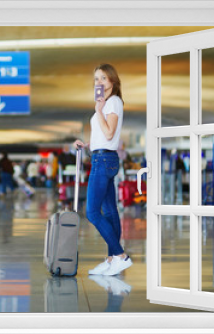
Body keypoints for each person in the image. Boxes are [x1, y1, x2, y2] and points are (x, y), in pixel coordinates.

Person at [74, 63, 132, 276]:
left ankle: (120, 256)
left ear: (113, 82)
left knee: (91, 212)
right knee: (109, 212)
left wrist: (98, 110)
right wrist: (86, 144)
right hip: (101, 157)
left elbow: (109, 134)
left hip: (104, 161)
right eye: (96, 79)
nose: (99, 82)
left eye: (103, 79)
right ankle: (111, 260)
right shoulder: (107, 103)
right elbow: (102, 136)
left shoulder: (113, 102)